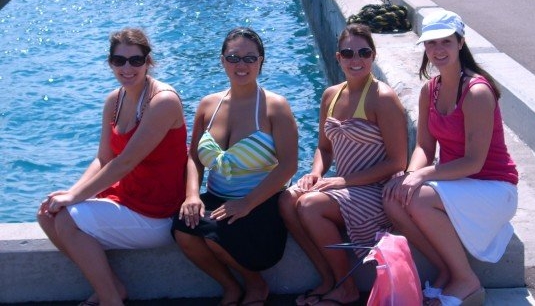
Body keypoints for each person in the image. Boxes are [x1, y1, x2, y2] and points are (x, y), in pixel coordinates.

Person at [37, 28, 188, 306]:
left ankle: (110, 300)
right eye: (119, 61)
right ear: (110, 63)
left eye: (135, 60)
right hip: (126, 198)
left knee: (67, 219)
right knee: (47, 213)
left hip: (157, 213)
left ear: (148, 61)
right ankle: (112, 288)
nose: (127, 68)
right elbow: (103, 159)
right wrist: (71, 193)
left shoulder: (163, 101)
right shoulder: (114, 100)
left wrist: (75, 198)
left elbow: (125, 162)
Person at [382, 10, 518, 306]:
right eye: (431, 43)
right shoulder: (429, 90)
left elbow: (474, 162)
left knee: (418, 198)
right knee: (393, 198)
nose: (438, 50)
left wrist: (422, 175)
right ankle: (446, 270)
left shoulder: (477, 91)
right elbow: (424, 147)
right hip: (458, 184)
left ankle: (466, 281)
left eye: (446, 41)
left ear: (461, 43)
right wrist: (409, 175)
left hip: (494, 188)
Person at [279, 23, 408, 306]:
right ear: (338, 58)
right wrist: (315, 173)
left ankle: (346, 287)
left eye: (363, 52)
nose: (356, 59)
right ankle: (328, 278)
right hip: (345, 187)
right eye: (348, 53)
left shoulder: (382, 98)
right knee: (287, 200)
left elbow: (398, 161)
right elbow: (324, 148)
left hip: (376, 191)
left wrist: (342, 181)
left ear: (373, 56)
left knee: (310, 205)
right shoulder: (331, 95)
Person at [172, 27, 298, 306]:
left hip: (261, 202)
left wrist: (247, 203)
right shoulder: (208, 105)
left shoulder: (275, 107)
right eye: (233, 57)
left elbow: (289, 165)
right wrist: (192, 195)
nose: (241, 65)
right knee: (183, 228)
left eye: (250, 58)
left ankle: (255, 285)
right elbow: (194, 158)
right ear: (222, 61)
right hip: (217, 197)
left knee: (216, 232)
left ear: (261, 61)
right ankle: (230, 286)